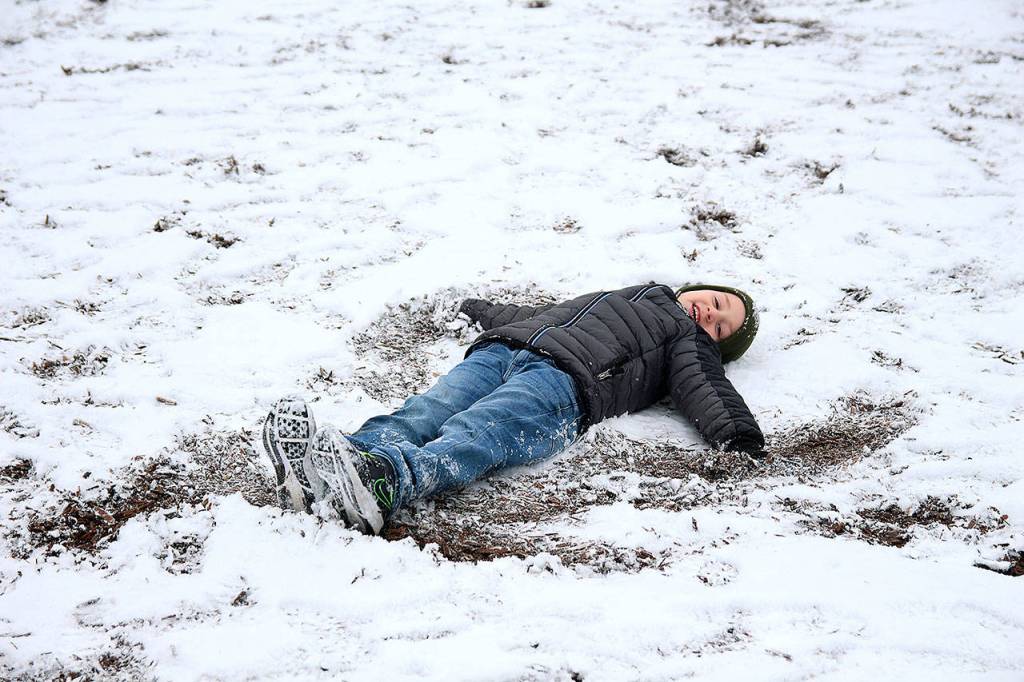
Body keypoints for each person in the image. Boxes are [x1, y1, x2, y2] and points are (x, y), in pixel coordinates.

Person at [261, 282, 765, 535]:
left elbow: (707, 388)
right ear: (700, 284)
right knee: (426, 410)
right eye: (718, 301)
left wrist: (738, 435)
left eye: (721, 328)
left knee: (479, 430)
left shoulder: (685, 340)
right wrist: (484, 314)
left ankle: (385, 481)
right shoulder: (638, 292)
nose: (711, 315)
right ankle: (337, 462)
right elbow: (549, 315)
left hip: (565, 387)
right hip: (504, 349)